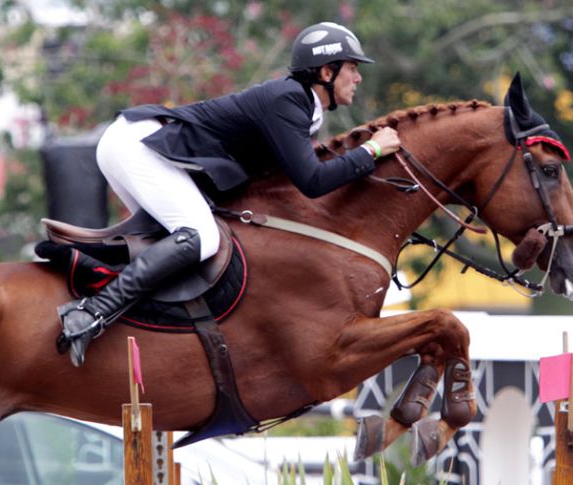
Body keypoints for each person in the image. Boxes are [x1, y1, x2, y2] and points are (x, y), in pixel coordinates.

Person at [58, 21, 402, 367]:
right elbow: (313, 181)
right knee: (202, 237)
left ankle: (148, 330)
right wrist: (371, 150)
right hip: (138, 146)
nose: (358, 78)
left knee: (175, 247)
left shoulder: (301, 106)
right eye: (352, 68)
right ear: (327, 72)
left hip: (137, 145)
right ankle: (90, 313)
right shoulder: (288, 100)